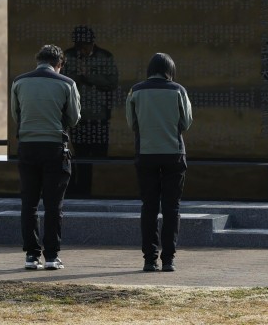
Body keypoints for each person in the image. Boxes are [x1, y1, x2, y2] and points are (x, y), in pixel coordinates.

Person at [11, 44, 81, 271]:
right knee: (53, 205)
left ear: (38, 60)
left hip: (28, 147)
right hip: (54, 148)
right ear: (59, 64)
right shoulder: (67, 83)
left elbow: (16, 114)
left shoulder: (19, 82)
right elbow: (74, 117)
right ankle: (52, 256)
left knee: (29, 203)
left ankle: (31, 255)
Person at [125, 53, 192, 272]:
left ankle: (149, 259)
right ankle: (169, 259)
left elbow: (131, 122)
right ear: (170, 70)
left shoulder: (136, 91)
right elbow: (186, 122)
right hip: (174, 153)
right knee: (172, 208)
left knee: (149, 207)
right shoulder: (178, 90)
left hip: (146, 153)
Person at [61, 25, 119, 157]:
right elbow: (62, 82)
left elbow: (112, 83)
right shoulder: (67, 56)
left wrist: (89, 75)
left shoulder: (105, 56)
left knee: (100, 155)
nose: (82, 50)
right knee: (81, 156)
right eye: (79, 47)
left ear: (92, 43)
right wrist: (78, 75)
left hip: (99, 116)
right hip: (76, 116)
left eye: (85, 47)